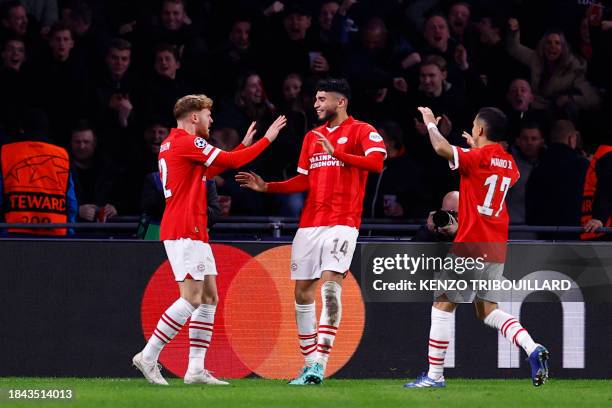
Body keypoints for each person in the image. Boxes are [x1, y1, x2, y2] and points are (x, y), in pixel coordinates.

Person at [236, 78, 387, 385]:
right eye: (315, 99)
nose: (316, 104)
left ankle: (320, 363)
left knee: (331, 287)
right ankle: (308, 365)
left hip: (342, 223)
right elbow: (304, 180)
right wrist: (268, 187)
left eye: (321, 99)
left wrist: (339, 154)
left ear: (340, 101)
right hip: (309, 225)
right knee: (302, 293)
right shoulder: (312, 137)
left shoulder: (362, 130)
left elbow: (376, 164)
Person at [132, 94, 286, 386]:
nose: (211, 120)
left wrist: (243, 145)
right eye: (207, 114)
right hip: (184, 228)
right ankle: (149, 356)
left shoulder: (173, 145)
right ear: (193, 117)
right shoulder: (186, 142)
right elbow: (231, 160)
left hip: (194, 230)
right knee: (191, 298)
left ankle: (195, 369)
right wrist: (267, 139)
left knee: (209, 298)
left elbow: (215, 168)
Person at [404, 106, 549, 388]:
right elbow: (493, 173)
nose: (471, 129)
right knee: (487, 310)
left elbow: (442, 149)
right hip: (496, 247)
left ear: (481, 130)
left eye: (473, 126)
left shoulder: (476, 158)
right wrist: (475, 149)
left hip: (470, 245)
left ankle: (434, 376)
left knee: (442, 306)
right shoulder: (510, 163)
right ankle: (532, 348)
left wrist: (431, 124)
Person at [526, 120, 588, 233]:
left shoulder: (538, 166)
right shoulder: (582, 165)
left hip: (543, 235)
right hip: (576, 234)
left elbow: (530, 207)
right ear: (571, 139)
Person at [581, 140, 612, 240]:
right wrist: (600, 218)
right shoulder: (607, 154)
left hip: (594, 228)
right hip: (601, 230)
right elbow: (607, 188)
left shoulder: (604, 153)